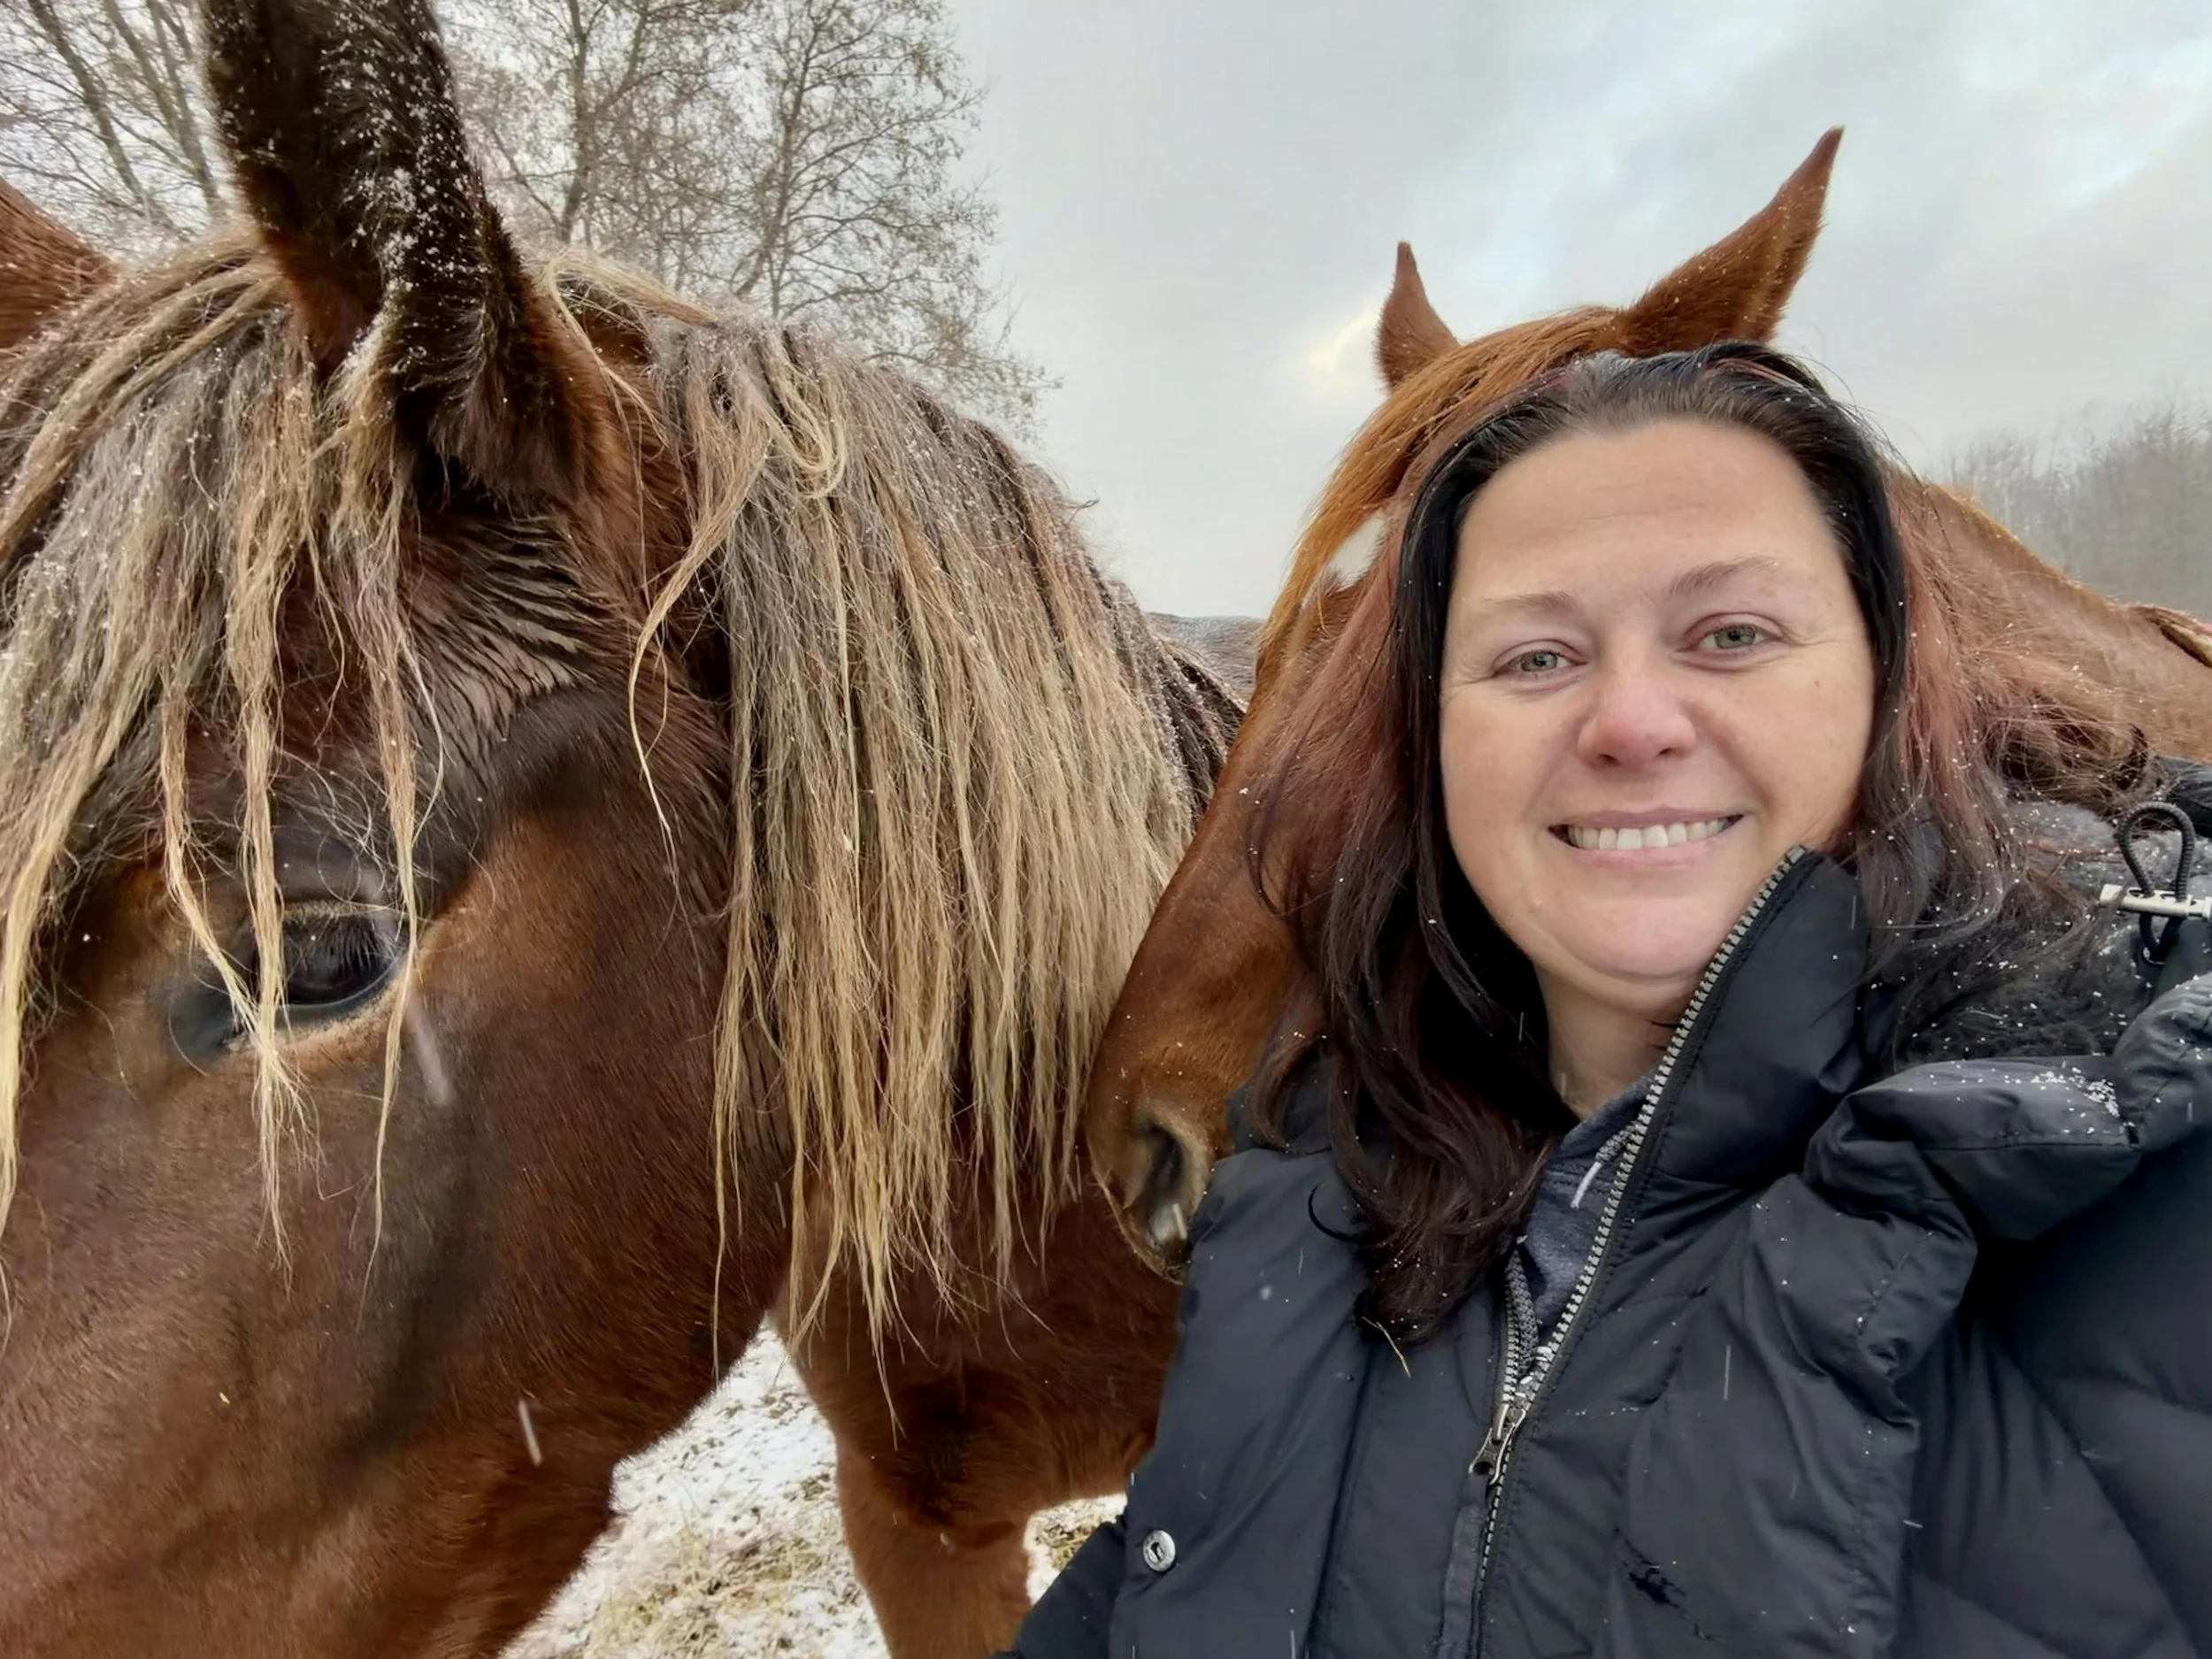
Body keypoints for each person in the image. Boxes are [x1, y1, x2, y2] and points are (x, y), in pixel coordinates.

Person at [1009, 343, 2212, 1658]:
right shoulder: (1307, 1242)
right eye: (1533, 654)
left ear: (1889, 674)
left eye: (1733, 633)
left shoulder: (2152, 1190)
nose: (1630, 721)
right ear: (1427, 732)